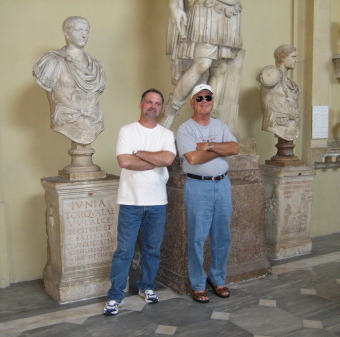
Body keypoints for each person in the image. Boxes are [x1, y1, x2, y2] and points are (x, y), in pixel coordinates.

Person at [103, 89, 176, 316]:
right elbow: (125, 161)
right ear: (141, 104)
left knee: (152, 250)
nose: (153, 106)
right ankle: (116, 296)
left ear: (161, 108)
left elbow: (168, 159)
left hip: (157, 202)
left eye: (157, 103)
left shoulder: (166, 134)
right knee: (124, 251)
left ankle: (147, 287)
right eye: (149, 102)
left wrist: (140, 153)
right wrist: (155, 159)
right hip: (130, 201)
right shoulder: (127, 131)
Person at [176, 84, 238, 303]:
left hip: (222, 185)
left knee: (223, 235)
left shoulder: (220, 125)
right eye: (199, 98)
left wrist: (207, 146)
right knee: (197, 237)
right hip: (198, 187)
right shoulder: (185, 129)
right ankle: (198, 284)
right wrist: (218, 149)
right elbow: (192, 158)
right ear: (192, 102)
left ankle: (218, 279)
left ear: (212, 101)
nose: (204, 101)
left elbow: (234, 149)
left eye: (208, 98)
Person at [159, 0, 245, 136]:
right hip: (207, 8)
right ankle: (168, 115)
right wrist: (174, 5)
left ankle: (209, 125)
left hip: (231, 11)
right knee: (202, 64)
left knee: (221, 68)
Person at [33, 16, 105, 145]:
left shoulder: (96, 66)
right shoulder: (52, 61)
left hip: (93, 120)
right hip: (66, 120)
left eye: (86, 31)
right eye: (79, 30)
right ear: (67, 33)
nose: (84, 35)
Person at [257, 45, 300, 141]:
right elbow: (263, 78)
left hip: (291, 124)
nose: (296, 60)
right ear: (282, 57)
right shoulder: (271, 76)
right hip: (277, 123)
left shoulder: (291, 83)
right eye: (293, 57)